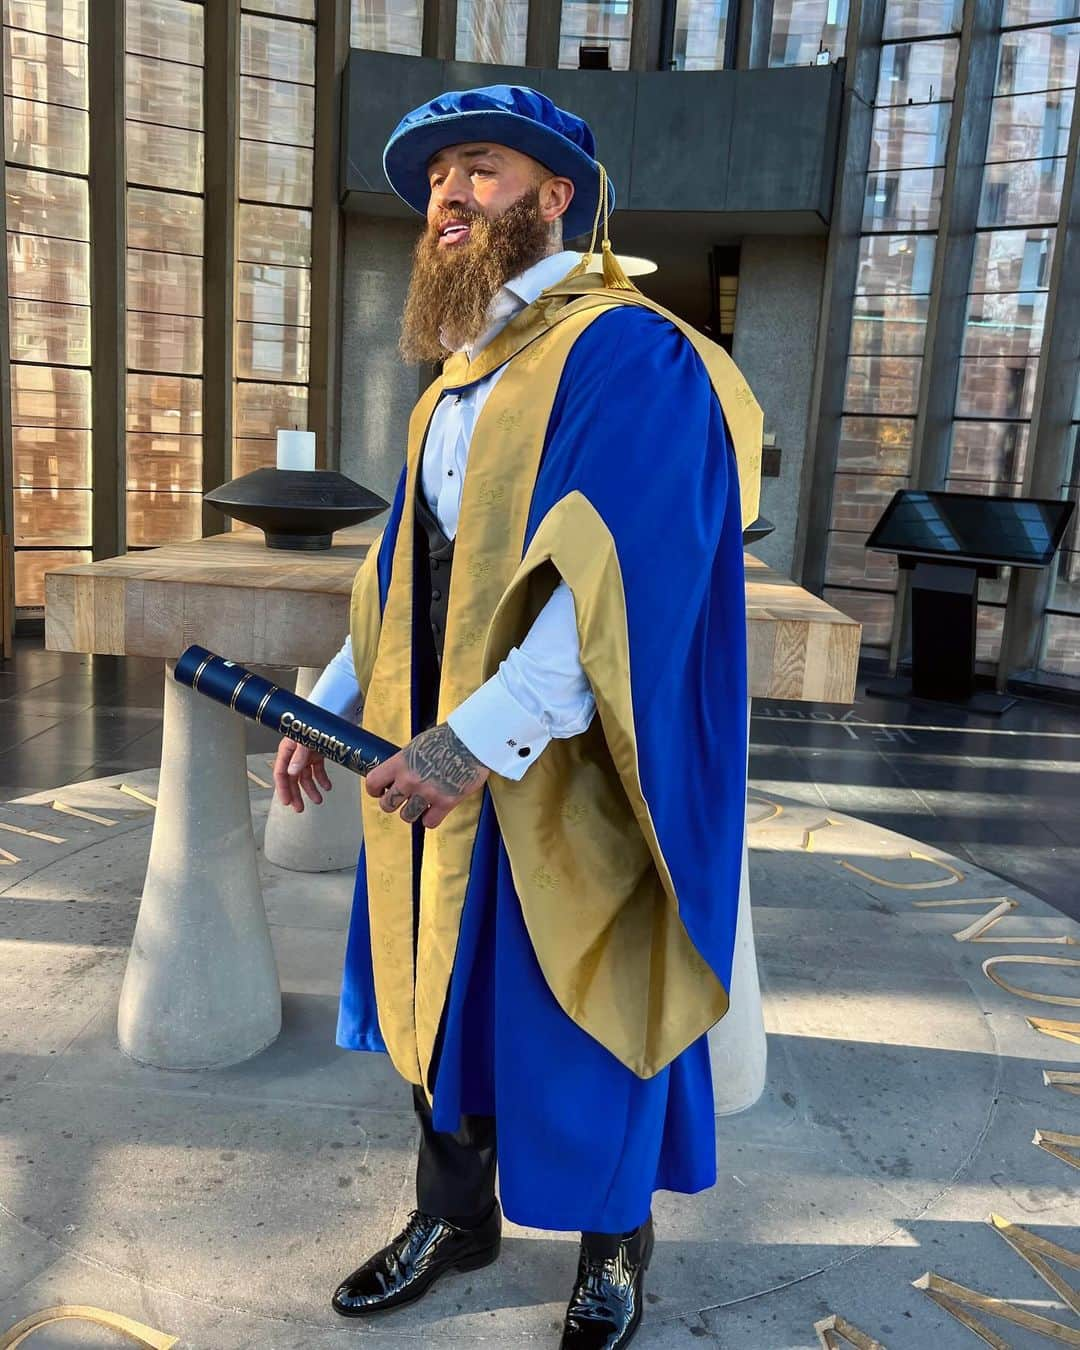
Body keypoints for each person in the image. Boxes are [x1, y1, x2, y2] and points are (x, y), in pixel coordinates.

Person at [272, 84, 762, 1350]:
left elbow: (616, 581)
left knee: (582, 996)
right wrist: (332, 707)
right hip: (444, 757)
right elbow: (404, 578)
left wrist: (471, 744)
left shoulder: (632, 355)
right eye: (438, 176)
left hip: (583, 771)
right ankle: (455, 1214)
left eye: (479, 170)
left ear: (556, 197)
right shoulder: (452, 387)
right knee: (443, 987)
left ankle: (615, 1246)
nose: (447, 196)